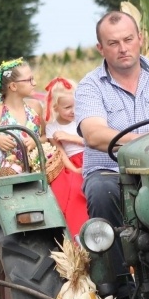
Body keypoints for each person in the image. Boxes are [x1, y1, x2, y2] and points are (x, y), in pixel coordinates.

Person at [75, 11, 149, 270]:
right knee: (100, 191)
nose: (123, 48)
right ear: (100, 48)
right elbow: (94, 134)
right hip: (112, 172)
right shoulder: (90, 86)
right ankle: (118, 285)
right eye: (113, 43)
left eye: (128, 39)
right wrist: (147, 142)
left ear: (140, 38)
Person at [0, 58, 43, 174]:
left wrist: (36, 141)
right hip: (6, 176)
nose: (34, 83)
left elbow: (45, 136)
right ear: (13, 86)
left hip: (38, 171)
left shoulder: (35, 107)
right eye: (29, 80)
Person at [44, 77, 88, 238]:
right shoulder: (52, 128)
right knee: (72, 188)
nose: (73, 111)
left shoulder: (83, 120)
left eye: (76, 105)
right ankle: (78, 233)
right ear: (55, 107)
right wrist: (74, 169)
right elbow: (60, 153)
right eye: (68, 107)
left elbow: (93, 142)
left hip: (90, 156)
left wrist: (71, 138)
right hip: (71, 164)